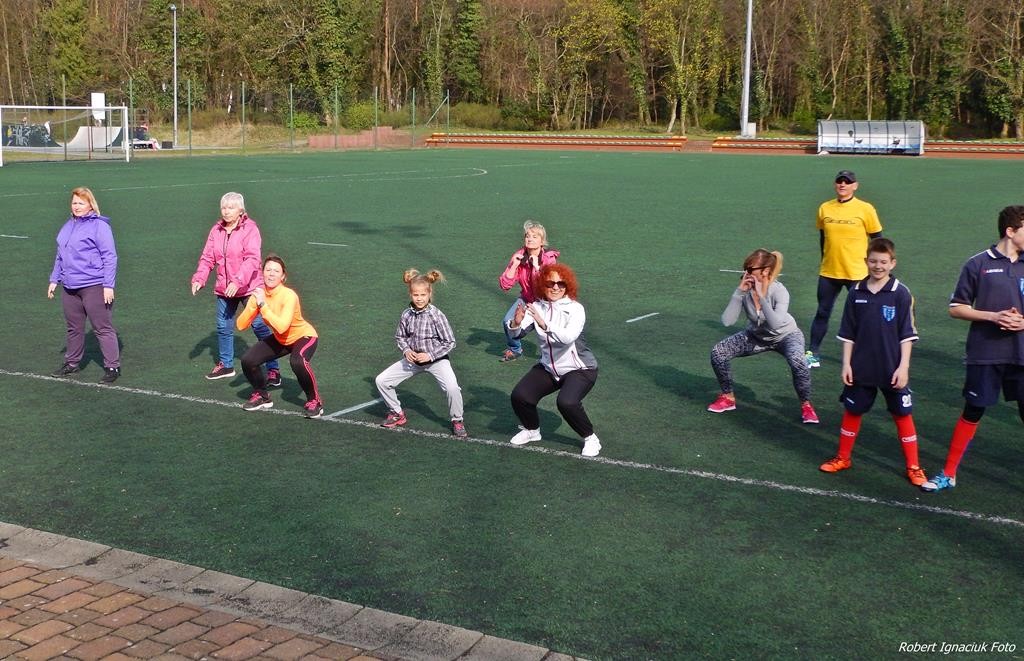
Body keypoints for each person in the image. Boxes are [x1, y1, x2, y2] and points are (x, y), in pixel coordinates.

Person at [922, 206, 1024, 493]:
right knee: (973, 410)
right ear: (1010, 231)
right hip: (986, 353)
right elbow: (956, 308)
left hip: (1022, 353)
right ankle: (949, 473)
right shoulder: (978, 264)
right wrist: (994, 316)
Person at [818, 238, 926, 485]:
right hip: (861, 366)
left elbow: (907, 335)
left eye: (884, 262)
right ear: (866, 261)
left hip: (892, 368)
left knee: (902, 414)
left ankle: (914, 467)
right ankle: (843, 457)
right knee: (853, 411)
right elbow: (848, 333)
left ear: (893, 263)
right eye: (874, 261)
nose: (878, 266)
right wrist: (846, 364)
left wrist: (904, 367)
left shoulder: (901, 293)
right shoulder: (856, 292)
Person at [708, 249, 819, 424]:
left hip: (786, 336)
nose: (746, 273)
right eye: (745, 269)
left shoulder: (779, 291)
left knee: (798, 361)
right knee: (718, 352)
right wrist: (738, 293)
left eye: (750, 270)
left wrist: (761, 297)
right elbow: (727, 322)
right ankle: (728, 397)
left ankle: (806, 405)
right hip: (756, 336)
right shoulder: (745, 291)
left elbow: (775, 324)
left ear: (765, 271)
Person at [507, 263, 602, 457]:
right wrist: (515, 323)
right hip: (549, 368)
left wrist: (544, 324)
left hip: (580, 369)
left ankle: (590, 438)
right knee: (520, 396)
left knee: (567, 402)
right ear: (542, 284)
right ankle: (532, 431)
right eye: (551, 283)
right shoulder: (536, 307)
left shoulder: (576, 309)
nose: (556, 287)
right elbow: (517, 334)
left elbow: (568, 337)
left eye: (561, 283)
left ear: (568, 286)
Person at [191, 192, 281, 386]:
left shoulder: (250, 229)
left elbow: (252, 259)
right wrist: (199, 278)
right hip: (225, 289)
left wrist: (237, 281)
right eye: (223, 207)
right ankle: (226, 365)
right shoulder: (216, 230)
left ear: (241, 210)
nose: (226, 211)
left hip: (249, 287)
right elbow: (208, 257)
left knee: (259, 326)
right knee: (223, 326)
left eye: (231, 207)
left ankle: (273, 369)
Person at [375, 269, 468, 438]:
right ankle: (396, 413)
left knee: (452, 388)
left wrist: (430, 355)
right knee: (382, 380)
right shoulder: (406, 314)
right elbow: (400, 337)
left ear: (429, 294)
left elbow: (450, 342)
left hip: (437, 361)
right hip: (413, 360)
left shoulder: (436, 315)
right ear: (410, 294)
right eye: (416, 295)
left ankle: (457, 420)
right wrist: (406, 350)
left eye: (423, 295)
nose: (419, 298)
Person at [806, 170, 883, 368]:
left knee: (863, 315)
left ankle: (866, 355)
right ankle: (812, 353)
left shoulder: (865, 209)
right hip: (829, 272)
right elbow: (823, 238)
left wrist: (878, 267)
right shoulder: (825, 208)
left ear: (855, 186)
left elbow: (878, 239)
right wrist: (824, 259)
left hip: (856, 273)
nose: (843, 184)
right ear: (835, 184)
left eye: (847, 182)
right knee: (822, 312)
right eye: (839, 181)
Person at [47, 187, 121, 384]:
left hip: (94, 285)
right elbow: (60, 255)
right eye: (74, 203)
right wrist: (54, 279)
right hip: (70, 287)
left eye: (81, 203)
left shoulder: (99, 226)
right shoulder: (67, 226)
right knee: (74, 328)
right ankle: (71, 363)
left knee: (102, 327)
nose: (77, 206)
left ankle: (112, 367)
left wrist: (108, 285)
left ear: (90, 205)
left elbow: (110, 256)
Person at [236, 255, 322, 418]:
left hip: (303, 336)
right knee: (248, 360)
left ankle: (314, 401)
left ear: (283, 276)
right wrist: (253, 304)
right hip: (281, 339)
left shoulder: (289, 295)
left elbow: (282, 327)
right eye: (268, 270)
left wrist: (263, 305)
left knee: (297, 361)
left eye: (276, 271)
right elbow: (241, 325)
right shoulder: (259, 295)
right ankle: (262, 396)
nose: (271, 274)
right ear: (262, 273)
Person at [498, 220, 559, 362]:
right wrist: (514, 265)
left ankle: (554, 356)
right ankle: (515, 349)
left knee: (547, 329)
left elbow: (548, 286)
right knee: (508, 322)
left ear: (542, 242)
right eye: (527, 236)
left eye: (534, 237)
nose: (530, 239)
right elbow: (505, 285)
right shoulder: (519, 256)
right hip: (527, 298)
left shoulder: (549, 259)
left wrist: (537, 267)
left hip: (546, 301)